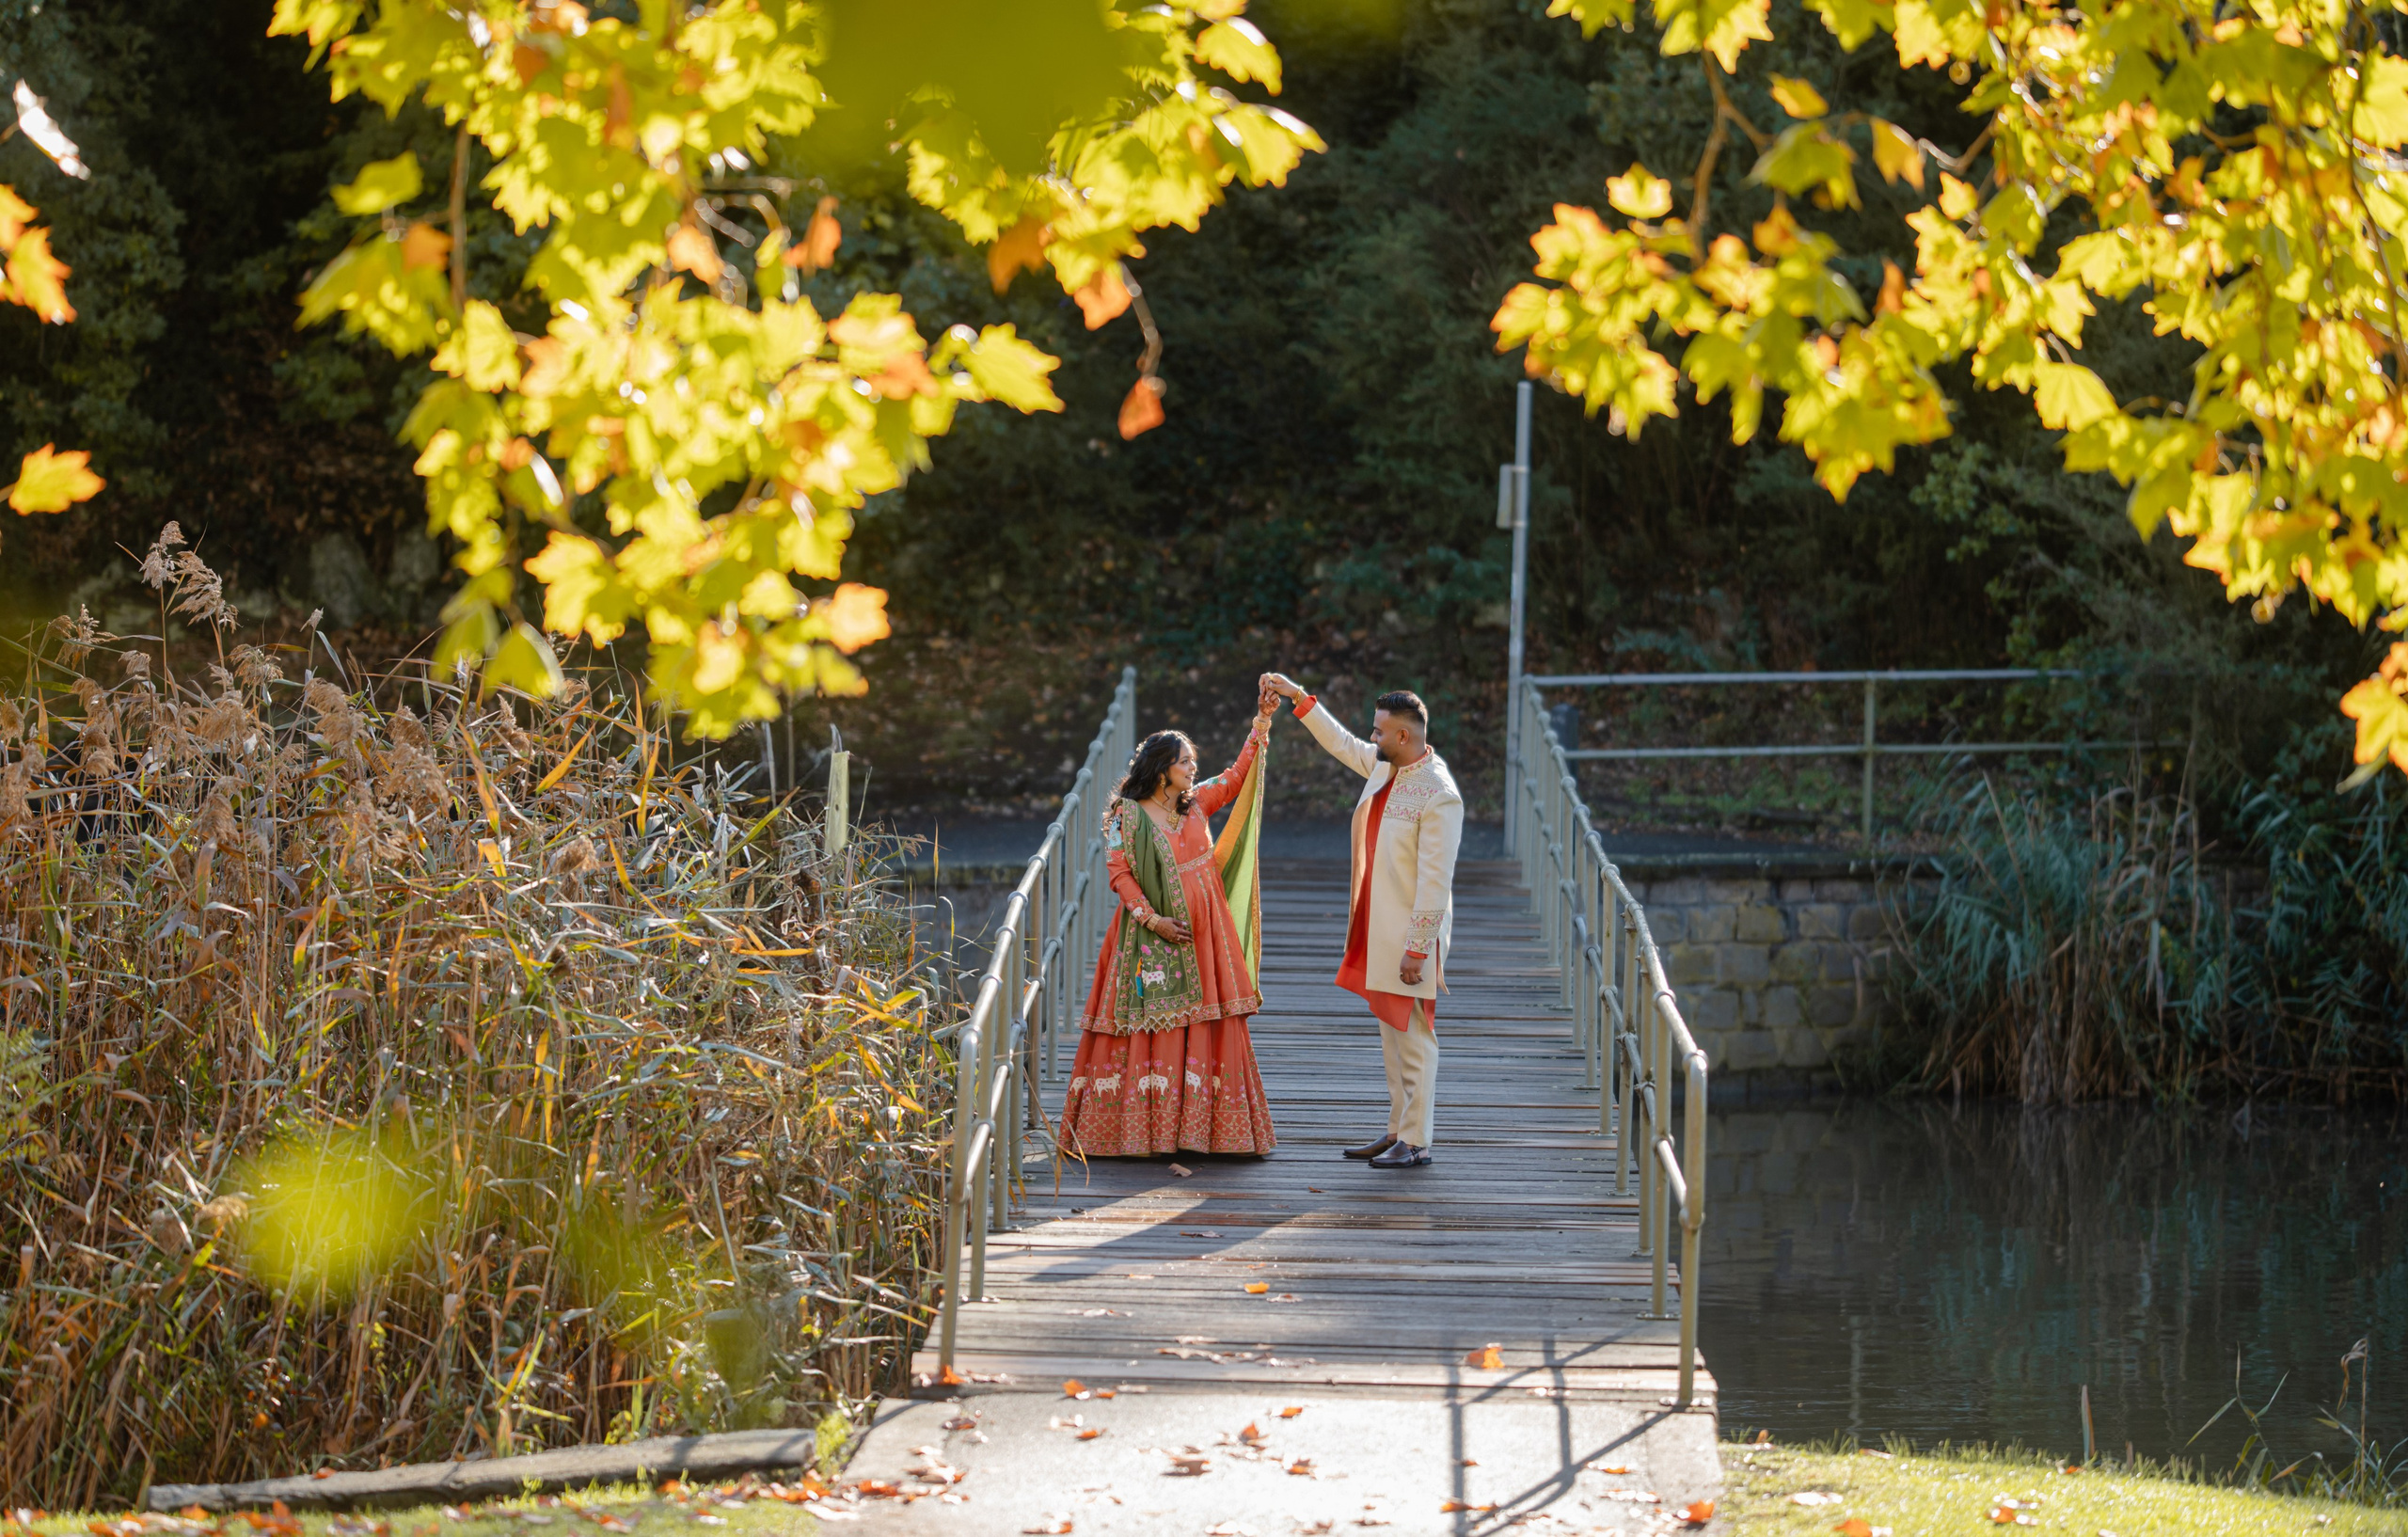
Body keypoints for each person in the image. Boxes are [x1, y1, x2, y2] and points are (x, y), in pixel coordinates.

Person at [1057, 689, 1280, 1157]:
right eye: (1184, 763)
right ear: (1161, 770)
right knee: (1148, 1023)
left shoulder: (1196, 804)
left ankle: (1206, 1134)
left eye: (1192, 762)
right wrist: (1153, 920)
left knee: (1207, 1020)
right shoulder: (1124, 815)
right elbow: (1118, 874)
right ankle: (1146, 1133)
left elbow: (1237, 777)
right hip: (1147, 934)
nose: (1192, 769)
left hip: (1206, 934)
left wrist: (1261, 721)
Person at [1261, 675, 1462, 1169]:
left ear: (1402, 736)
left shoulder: (1439, 794)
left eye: (1378, 732)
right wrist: (1298, 698)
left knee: (1414, 1037)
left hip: (1411, 937)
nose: (1370, 738)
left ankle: (1416, 1141)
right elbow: (1342, 743)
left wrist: (1418, 949)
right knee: (1392, 1037)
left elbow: (1436, 883)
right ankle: (1398, 1130)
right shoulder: (1386, 764)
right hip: (1378, 924)